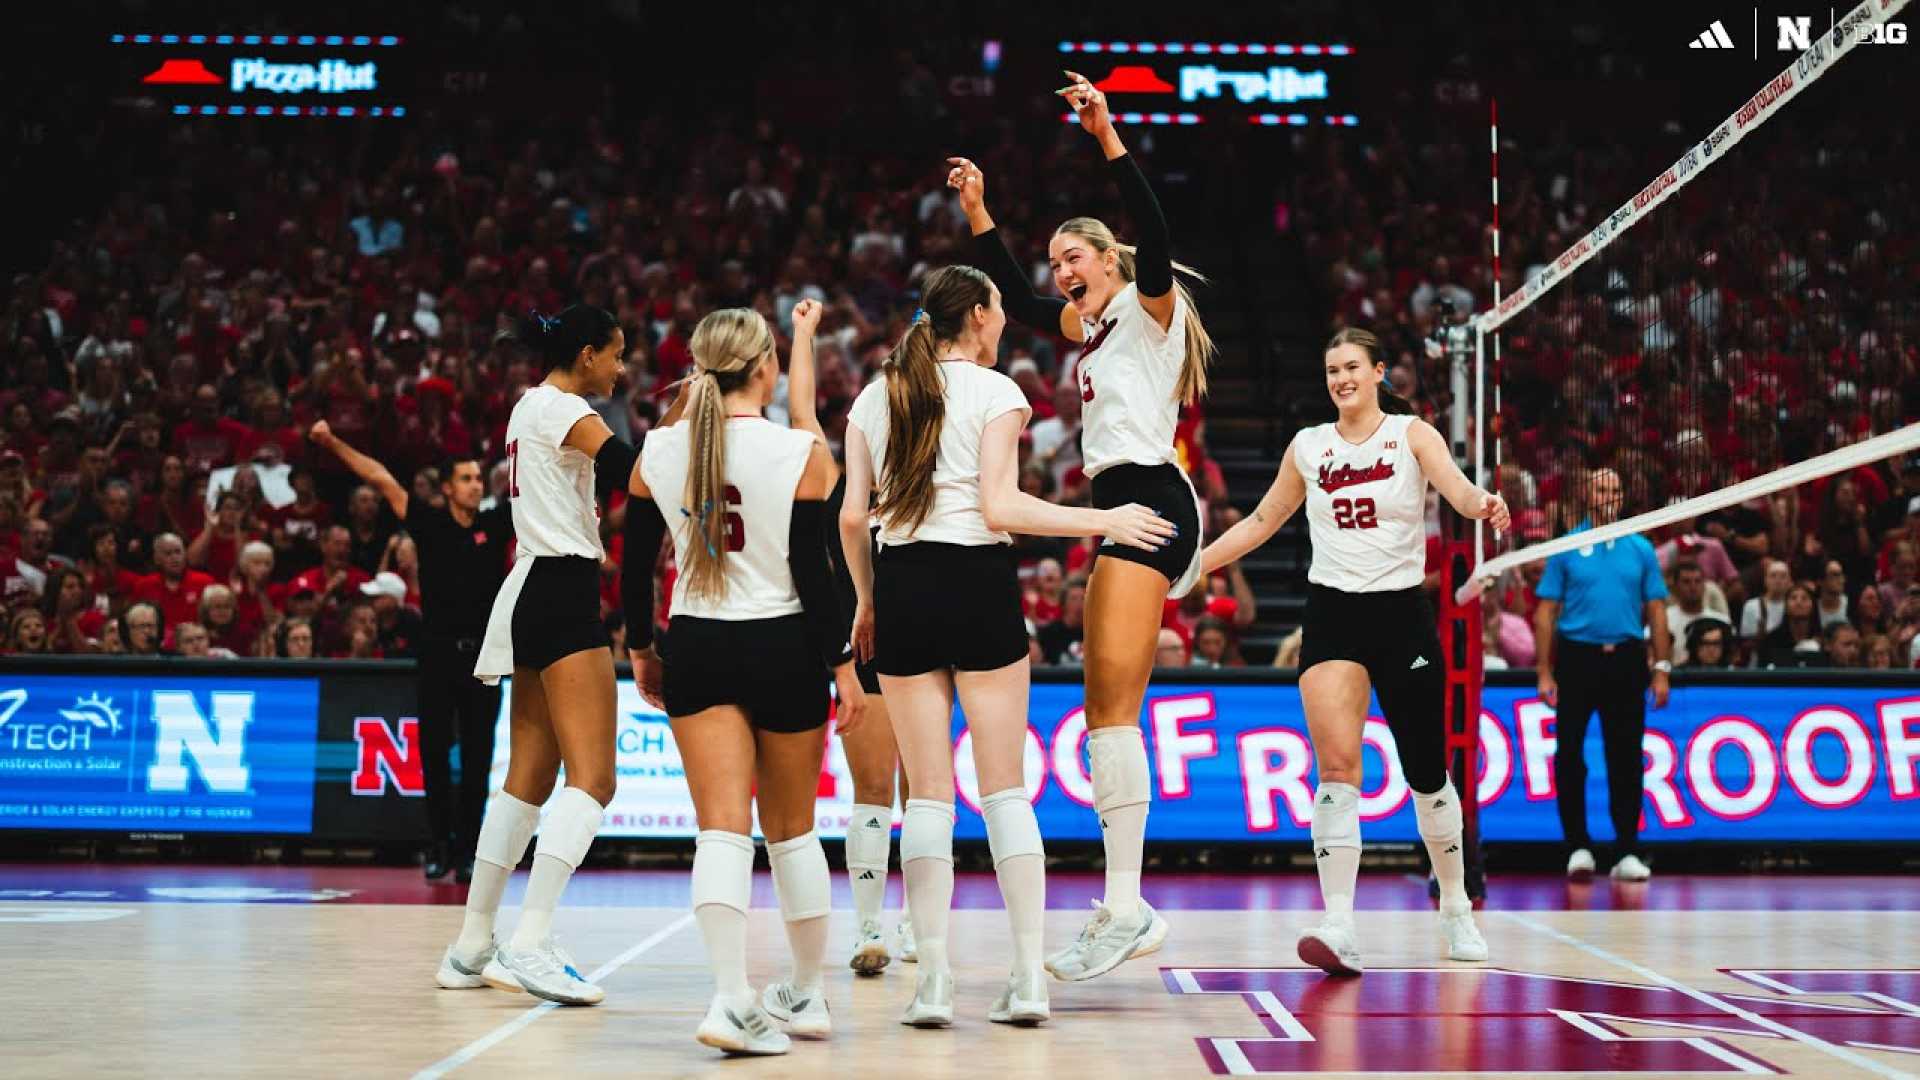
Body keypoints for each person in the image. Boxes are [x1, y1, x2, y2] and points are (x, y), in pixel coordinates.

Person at [840, 266, 1174, 1022]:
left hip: (904, 583)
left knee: (925, 801)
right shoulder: (998, 393)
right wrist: (1108, 520)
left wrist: (866, 598)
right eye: (999, 307)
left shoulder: (873, 394)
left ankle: (932, 983)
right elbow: (999, 505)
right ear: (984, 318)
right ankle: (1027, 979)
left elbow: (852, 520)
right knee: (1003, 794)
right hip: (978, 579)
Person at [950, 69, 1218, 981]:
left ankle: (1129, 906)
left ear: (1112, 261)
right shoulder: (1092, 327)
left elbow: (1160, 230)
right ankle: (1126, 902)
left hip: (1148, 497)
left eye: (1078, 258)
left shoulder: (1150, 308)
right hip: (1129, 501)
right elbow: (1020, 303)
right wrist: (981, 211)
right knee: (1110, 712)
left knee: (1110, 712)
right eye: (1060, 260)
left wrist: (1107, 134)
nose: (1065, 272)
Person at [1200, 327, 1506, 976]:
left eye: (1351, 367)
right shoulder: (1309, 446)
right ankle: (1339, 923)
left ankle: (1455, 905)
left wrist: (1484, 504)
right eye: (1332, 368)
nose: (1340, 377)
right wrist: (1199, 563)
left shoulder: (1411, 434)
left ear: (1377, 374)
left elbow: (1456, 491)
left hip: (1401, 615)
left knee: (1428, 771)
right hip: (1333, 614)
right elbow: (1260, 522)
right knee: (1337, 770)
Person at [621, 305, 867, 1056]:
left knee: (721, 830)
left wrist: (640, 650)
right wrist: (844, 667)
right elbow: (814, 576)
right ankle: (808, 992)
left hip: (697, 643)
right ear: (764, 368)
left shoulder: (660, 450)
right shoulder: (798, 451)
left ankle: (730, 996)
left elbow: (633, 568)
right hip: (785, 646)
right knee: (793, 833)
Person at [440, 305, 639, 1007]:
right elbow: (632, 472)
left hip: (532, 586)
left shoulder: (531, 408)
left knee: (526, 780)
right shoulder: (561, 408)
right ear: (585, 355)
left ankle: (471, 942)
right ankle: (531, 938)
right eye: (615, 355)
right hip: (560, 588)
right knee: (595, 780)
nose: (621, 369)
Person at [793, 297, 912, 977]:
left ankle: (919, 924)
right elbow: (805, 415)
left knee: (924, 792)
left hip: (923, 632)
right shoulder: (842, 483)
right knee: (873, 786)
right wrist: (804, 336)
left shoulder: (929, 488)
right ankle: (869, 926)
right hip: (862, 646)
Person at [1534, 467, 1672, 884]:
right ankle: (1577, 846)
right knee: (1570, 755)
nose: (1609, 494)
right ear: (1587, 494)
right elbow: (1545, 612)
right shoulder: (1568, 546)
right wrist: (1544, 670)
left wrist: (1661, 668)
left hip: (1628, 660)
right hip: (1578, 659)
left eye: (1615, 487)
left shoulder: (1640, 547)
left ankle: (1627, 848)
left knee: (1626, 755)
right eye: (1601, 487)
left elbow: (1657, 610)